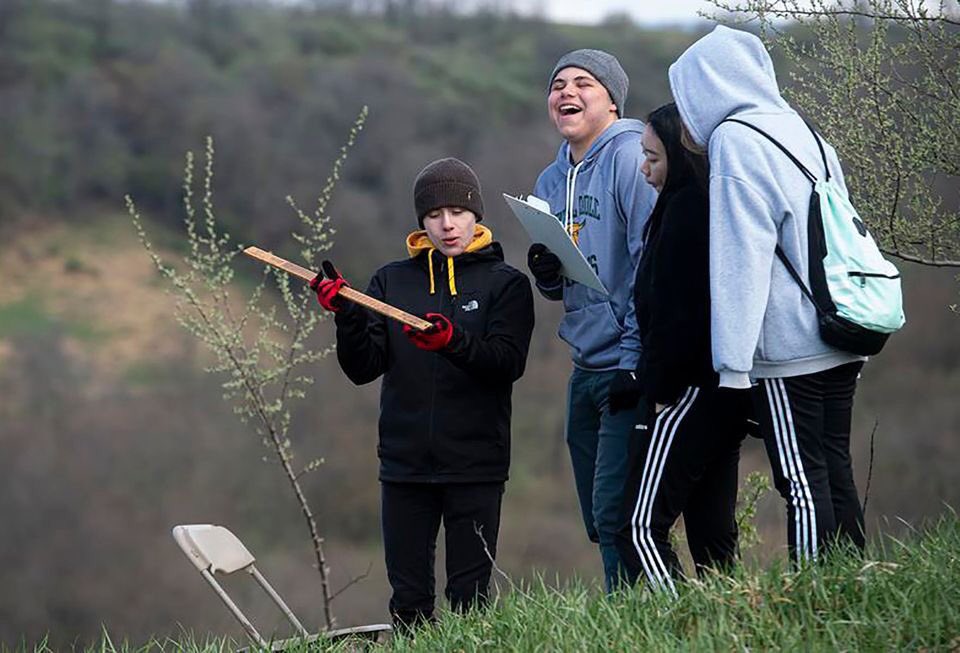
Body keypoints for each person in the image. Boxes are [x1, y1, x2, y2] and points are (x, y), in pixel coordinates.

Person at [669, 26, 868, 562]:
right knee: (834, 465)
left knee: (801, 483)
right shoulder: (802, 128)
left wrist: (732, 364)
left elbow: (742, 255)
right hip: (841, 326)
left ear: (708, 86)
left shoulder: (736, 140)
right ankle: (855, 585)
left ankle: (815, 607)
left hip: (788, 344)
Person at [311, 157, 535, 629]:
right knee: (408, 604)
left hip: (476, 465)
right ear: (421, 222)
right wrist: (347, 317)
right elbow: (361, 369)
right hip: (404, 465)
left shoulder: (507, 284)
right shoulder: (391, 282)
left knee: (470, 602)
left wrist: (453, 342)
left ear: (477, 214)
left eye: (457, 210)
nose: (447, 224)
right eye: (435, 215)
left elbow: (506, 364)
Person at [526, 49, 656, 591]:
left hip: (630, 364)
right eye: (558, 84)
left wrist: (634, 360)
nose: (566, 93)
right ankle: (639, 613)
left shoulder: (631, 158)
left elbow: (649, 263)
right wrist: (547, 275)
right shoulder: (551, 179)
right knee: (597, 520)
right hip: (585, 362)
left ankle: (637, 622)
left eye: (584, 83)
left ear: (611, 99)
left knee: (617, 514)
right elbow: (573, 277)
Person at [615, 102, 751, 595]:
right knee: (713, 536)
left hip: (688, 389)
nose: (644, 168)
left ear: (678, 153)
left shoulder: (687, 211)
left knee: (636, 527)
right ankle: (732, 626)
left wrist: (657, 388)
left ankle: (682, 627)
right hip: (725, 391)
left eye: (652, 157)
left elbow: (680, 313)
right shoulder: (703, 203)